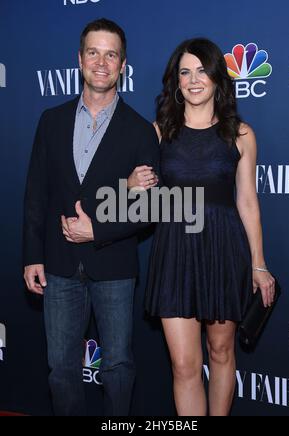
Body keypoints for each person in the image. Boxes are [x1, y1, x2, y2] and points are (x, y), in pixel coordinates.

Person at [23, 18, 159, 416]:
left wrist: (96, 229)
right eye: (94, 52)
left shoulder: (140, 131)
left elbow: (150, 208)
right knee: (61, 369)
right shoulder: (51, 120)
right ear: (79, 59)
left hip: (115, 266)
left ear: (123, 65)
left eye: (111, 54)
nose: (102, 62)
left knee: (118, 366)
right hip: (59, 265)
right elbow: (36, 194)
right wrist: (32, 255)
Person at [143, 38, 275, 416]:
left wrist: (259, 264)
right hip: (174, 251)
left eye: (202, 70)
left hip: (223, 248)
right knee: (184, 365)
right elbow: (139, 200)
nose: (194, 79)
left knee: (221, 352)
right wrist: (133, 186)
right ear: (175, 82)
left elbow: (247, 201)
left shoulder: (241, 134)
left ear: (218, 77)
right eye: (185, 71)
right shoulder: (158, 133)